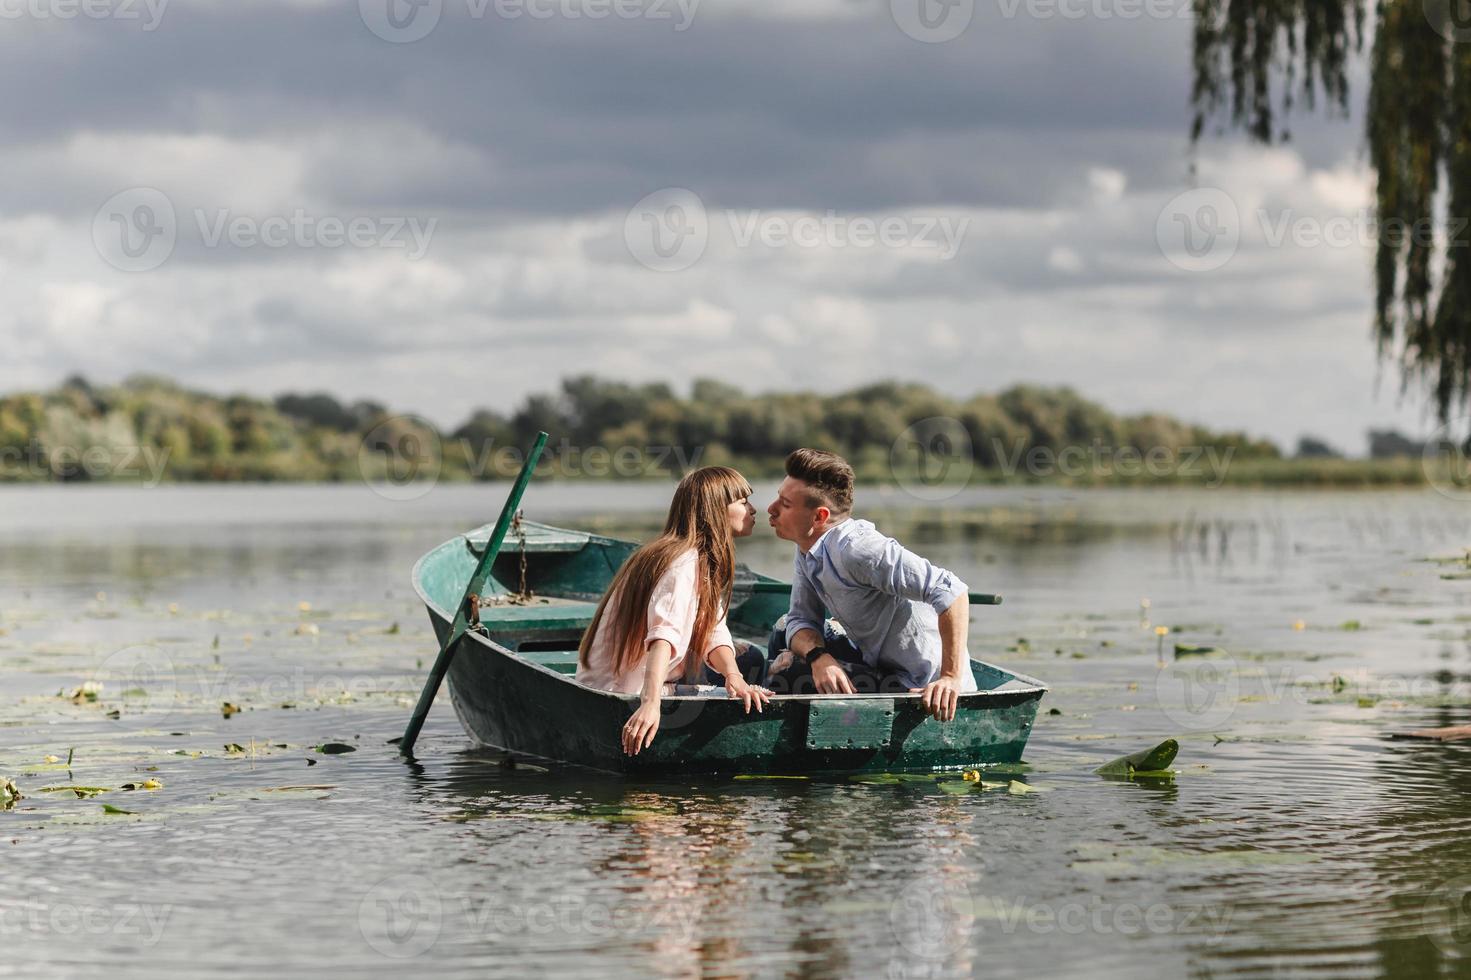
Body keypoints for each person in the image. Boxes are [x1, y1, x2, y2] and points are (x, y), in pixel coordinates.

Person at [765, 448, 977, 722]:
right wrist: (819, 657)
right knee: (782, 632)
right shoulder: (808, 548)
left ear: (819, 517)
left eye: (785, 504)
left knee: (789, 670)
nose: (770, 509)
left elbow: (952, 591)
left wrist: (950, 677)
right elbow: (800, 619)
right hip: (879, 662)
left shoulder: (861, 550)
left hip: (921, 683)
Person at [576, 465, 772, 755]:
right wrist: (651, 704)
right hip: (622, 688)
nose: (753, 509)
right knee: (753, 662)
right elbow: (662, 636)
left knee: (745, 661)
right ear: (716, 510)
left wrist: (734, 676)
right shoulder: (682, 564)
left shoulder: (694, 556)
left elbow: (713, 631)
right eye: (743, 503)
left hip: (639, 678)